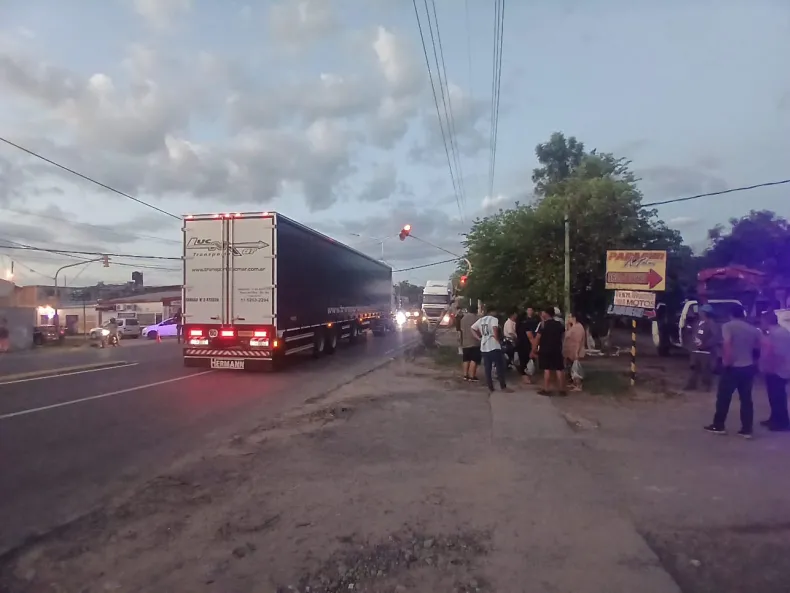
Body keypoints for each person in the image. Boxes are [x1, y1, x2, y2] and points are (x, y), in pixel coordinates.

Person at [704, 304, 761, 438]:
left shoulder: (728, 326)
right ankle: (747, 429)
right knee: (746, 399)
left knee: (723, 397)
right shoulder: (753, 329)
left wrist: (726, 361)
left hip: (732, 367)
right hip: (748, 367)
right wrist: (755, 362)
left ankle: (719, 425)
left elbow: (727, 344)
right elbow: (758, 348)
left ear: (731, 314)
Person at [759, 311, 790, 432]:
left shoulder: (778, 334)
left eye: (762, 321)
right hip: (777, 369)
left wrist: (770, 367)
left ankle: (781, 422)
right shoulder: (777, 332)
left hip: (778, 370)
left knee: (778, 397)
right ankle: (775, 419)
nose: (761, 324)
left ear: (766, 321)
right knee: (774, 396)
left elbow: (778, 354)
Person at [471, 306, 512, 395]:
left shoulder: (481, 320)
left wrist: (479, 338)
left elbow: (472, 328)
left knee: (487, 368)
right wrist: (497, 339)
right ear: (492, 311)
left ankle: (490, 387)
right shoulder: (494, 319)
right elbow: (495, 329)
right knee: (500, 366)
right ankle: (503, 386)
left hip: (484, 346)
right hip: (494, 346)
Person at [684, 304, 719, 392]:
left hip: (706, 352)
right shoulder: (698, 323)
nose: (699, 313)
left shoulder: (712, 324)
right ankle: (691, 385)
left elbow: (715, 338)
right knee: (694, 368)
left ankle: (706, 386)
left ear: (706, 313)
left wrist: (705, 345)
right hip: (696, 351)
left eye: (701, 311)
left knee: (706, 369)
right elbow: (693, 334)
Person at [533, 307, 565, 396]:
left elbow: (537, 337)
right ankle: (561, 389)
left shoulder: (543, 324)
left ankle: (547, 389)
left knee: (547, 369)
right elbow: (563, 336)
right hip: (557, 349)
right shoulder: (559, 324)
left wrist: (534, 348)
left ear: (546, 314)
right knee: (559, 369)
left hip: (545, 349)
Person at [563, 314, 586, 391]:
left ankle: (578, 385)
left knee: (576, 369)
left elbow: (578, 341)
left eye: (569, 317)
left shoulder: (578, 328)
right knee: (571, 368)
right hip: (570, 351)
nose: (568, 319)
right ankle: (574, 383)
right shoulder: (573, 327)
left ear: (574, 318)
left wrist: (576, 352)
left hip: (575, 351)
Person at [516, 308, 539, 383]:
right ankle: (528, 377)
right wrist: (534, 346)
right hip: (526, 345)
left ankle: (525, 377)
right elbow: (530, 337)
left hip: (520, 344)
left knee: (522, 361)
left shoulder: (518, 325)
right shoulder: (526, 325)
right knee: (529, 360)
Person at [459, 305, 481, 382]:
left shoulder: (463, 318)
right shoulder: (477, 318)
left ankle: (465, 375)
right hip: (475, 342)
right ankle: (472, 376)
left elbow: (461, 330)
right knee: (474, 359)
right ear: (476, 310)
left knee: (466, 359)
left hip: (465, 342)